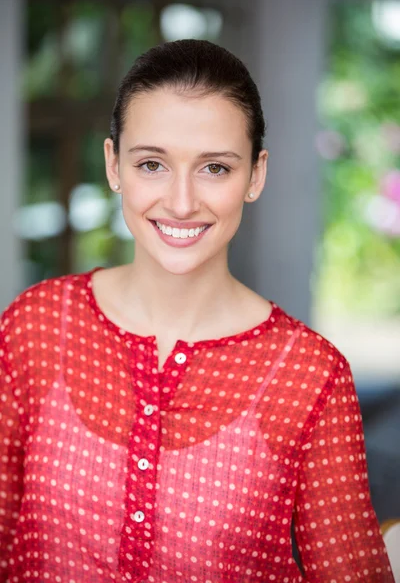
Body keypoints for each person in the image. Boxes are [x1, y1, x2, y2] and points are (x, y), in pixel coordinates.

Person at [0, 39, 394, 583]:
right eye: (152, 164)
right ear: (114, 164)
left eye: (214, 168)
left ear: (255, 175)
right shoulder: (35, 325)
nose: (182, 202)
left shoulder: (310, 376)